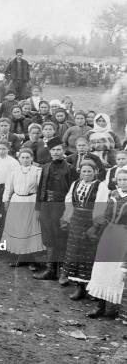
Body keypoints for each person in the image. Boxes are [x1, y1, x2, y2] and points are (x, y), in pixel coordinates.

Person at [61, 160, 109, 300]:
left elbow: (101, 207)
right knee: (74, 253)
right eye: (84, 171)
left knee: (89, 254)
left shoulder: (101, 186)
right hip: (76, 221)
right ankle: (79, 287)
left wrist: (95, 226)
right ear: (80, 172)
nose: (86, 174)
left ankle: (91, 288)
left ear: (95, 172)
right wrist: (67, 218)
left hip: (91, 223)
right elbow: (69, 201)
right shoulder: (75, 183)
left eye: (89, 171)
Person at [34, 137, 77, 283]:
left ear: (63, 151)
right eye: (53, 150)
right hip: (46, 206)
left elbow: (73, 192)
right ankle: (51, 270)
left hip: (61, 208)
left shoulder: (70, 168)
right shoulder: (46, 167)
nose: (56, 152)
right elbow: (40, 188)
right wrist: (38, 208)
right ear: (50, 151)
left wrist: (69, 212)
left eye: (59, 149)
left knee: (62, 238)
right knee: (48, 237)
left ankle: (64, 273)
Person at [85, 169, 127, 319]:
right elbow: (107, 214)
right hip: (109, 234)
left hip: (123, 236)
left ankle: (114, 307)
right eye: (120, 180)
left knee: (118, 272)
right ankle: (100, 305)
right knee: (102, 268)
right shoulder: (114, 194)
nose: (123, 183)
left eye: (126, 180)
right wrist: (96, 227)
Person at [1, 148, 45, 266]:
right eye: (23, 157)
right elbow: (8, 188)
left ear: (32, 158)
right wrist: (6, 201)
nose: (25, 160)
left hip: (31, 201)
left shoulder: (37, 171)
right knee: (18, 228)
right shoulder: (13, 171)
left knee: (29, 229)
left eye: (27, 157)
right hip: (16, 200)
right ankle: (18, 257)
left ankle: (32, 259)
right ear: (19, 159)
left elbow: (41, 189)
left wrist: (39, 205)